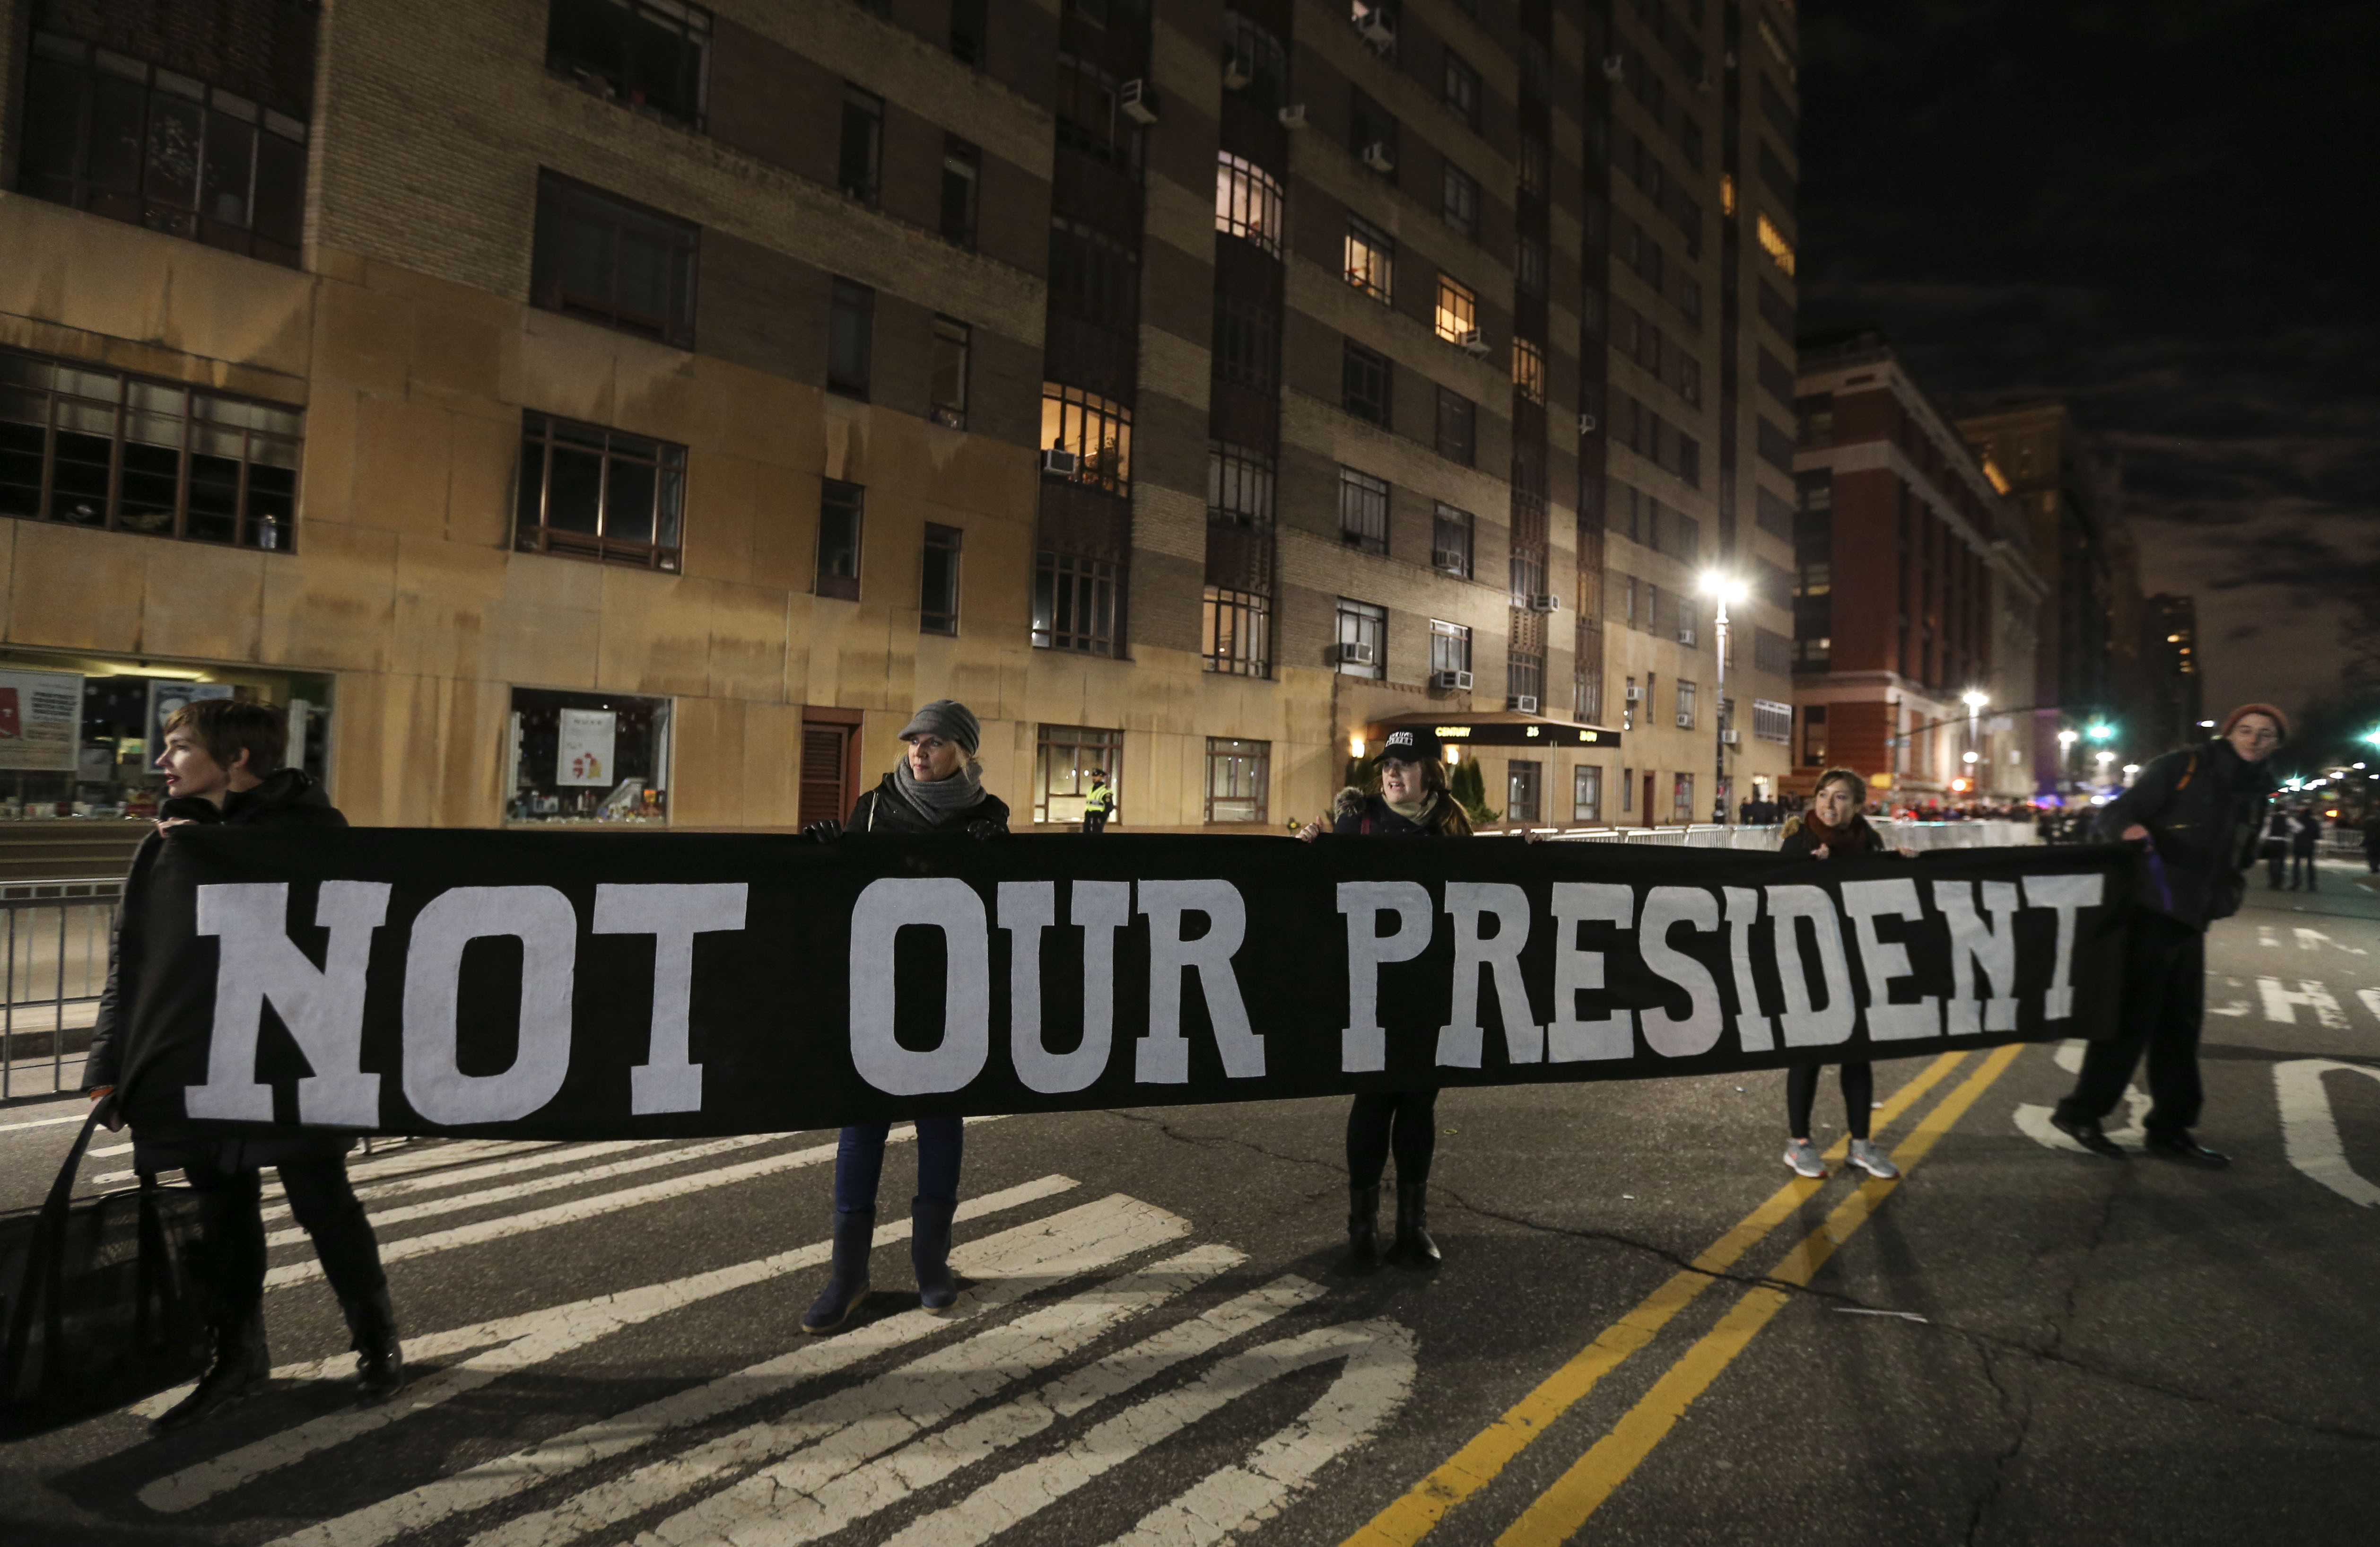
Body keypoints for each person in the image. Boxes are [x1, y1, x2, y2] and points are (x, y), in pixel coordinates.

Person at [84, 700, 403, 1433]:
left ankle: (377, 1341)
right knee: (220, 1216)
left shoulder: (313, 834)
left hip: (293, 1059)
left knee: (324, 1203)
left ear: (237, 759)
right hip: (201, 1057)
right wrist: (108, 1063)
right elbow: (132, 959)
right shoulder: (167, 841)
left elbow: (352, 945)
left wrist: (218, 853)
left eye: (180, 746)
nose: (162, 761)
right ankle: (237, 1359)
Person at [797, 699, 1008, 1332]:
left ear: (963, 751)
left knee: (940, 1128)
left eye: (935, 741)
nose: (919, 750)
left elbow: (1006, 909)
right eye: (914, 739)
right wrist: (824, 853)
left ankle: (930, 1265)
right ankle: (847, 1275)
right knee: (862, 1130)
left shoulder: (987, 816)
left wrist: (999, 856)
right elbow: (840, 899)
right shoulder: (872, 808)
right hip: (877, 994)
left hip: (948, 997)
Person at [2049, 703, 2285, 1167]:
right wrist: (2129, 828)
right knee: (2133, 1018)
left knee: (2179, 1026)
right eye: (2245, 729)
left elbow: (2235, 855)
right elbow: (2114, 813)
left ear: (2275, 744)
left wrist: (2229, 887)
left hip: (2190, 916)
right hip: (2150, 907)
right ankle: (2082, 1112)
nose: (2253, 739)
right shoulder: (2183, 766)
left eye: (2265, 734)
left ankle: (2169, 1130)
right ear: (2228, 732)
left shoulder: (2255, 791)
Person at [1297, 726, 1470, 1269]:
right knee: (1373, 1098)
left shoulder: (1451, 824)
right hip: (1368, 989)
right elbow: (1322, 891)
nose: (1392, 773)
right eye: (1387, 764)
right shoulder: (1357, 820)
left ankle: (1412, 1228)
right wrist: (1305, 851)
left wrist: (1528, 855)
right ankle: (1362, 1228)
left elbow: (1487, 885)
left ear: (1429, 773)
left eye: (1405, 764)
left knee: (1418, 1101)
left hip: (1430, 986)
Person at [1773, 768, 1902, 1182]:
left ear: (1859, 805)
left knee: (1857, 1052)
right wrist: (1807, 870)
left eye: (1841, 797)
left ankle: (1860, 1144)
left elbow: (1883, 895)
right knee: (1808, 1053)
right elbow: (1773, 895)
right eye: (1823, 795)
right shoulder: (1800, 840)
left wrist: (1906, 867)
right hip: (1809, 961)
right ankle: (1799, 1143)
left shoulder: (1870, 841)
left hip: (1857, 957)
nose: (1829, 804)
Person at [2290, 805, 2323, 891]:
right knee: (2310, 865)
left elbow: (2293, 831)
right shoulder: (2313, 822)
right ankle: (2311, 884)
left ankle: (2296, 883)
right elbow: (2318, 835)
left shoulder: (2298, 820)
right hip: (2309, 845)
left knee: (2297, 864)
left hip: (2299, 845)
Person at [2261, 806, 2294, 889]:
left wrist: (2263, 840)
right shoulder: (2287, 819)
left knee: (2272, 862)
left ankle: (2273, 882)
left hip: (2272, 842)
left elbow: (2265, 832)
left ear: (2275, 810)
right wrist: (2290, 833)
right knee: (2282, 863)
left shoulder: (2270, 819)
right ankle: (2280, 882)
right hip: (2283, 842)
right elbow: (2299, 828)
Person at [1081, 768, 1115, 835]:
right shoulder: (1090, 789)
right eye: (1093, 776)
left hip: (1098, 817)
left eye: (1096, 776)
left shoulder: (1105, 791)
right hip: (1089, 816)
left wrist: (1102, 818)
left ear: (1101, 778)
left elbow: (1110, 807)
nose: (1094, 778)